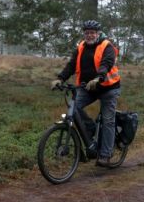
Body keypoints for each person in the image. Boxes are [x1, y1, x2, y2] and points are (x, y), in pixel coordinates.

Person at [52, 20, 121, 167]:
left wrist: (98, 78)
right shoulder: (81, 47)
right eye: (87, 33)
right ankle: (89, 128)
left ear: (97, 33)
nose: (89, 35)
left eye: (92, 33)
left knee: (108, 120)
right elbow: (71, 65)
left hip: (108, 87)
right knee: (74, 108)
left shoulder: (106, 46)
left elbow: (106, 63)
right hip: (87, 87)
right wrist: (60, 78)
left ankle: (105, 155)